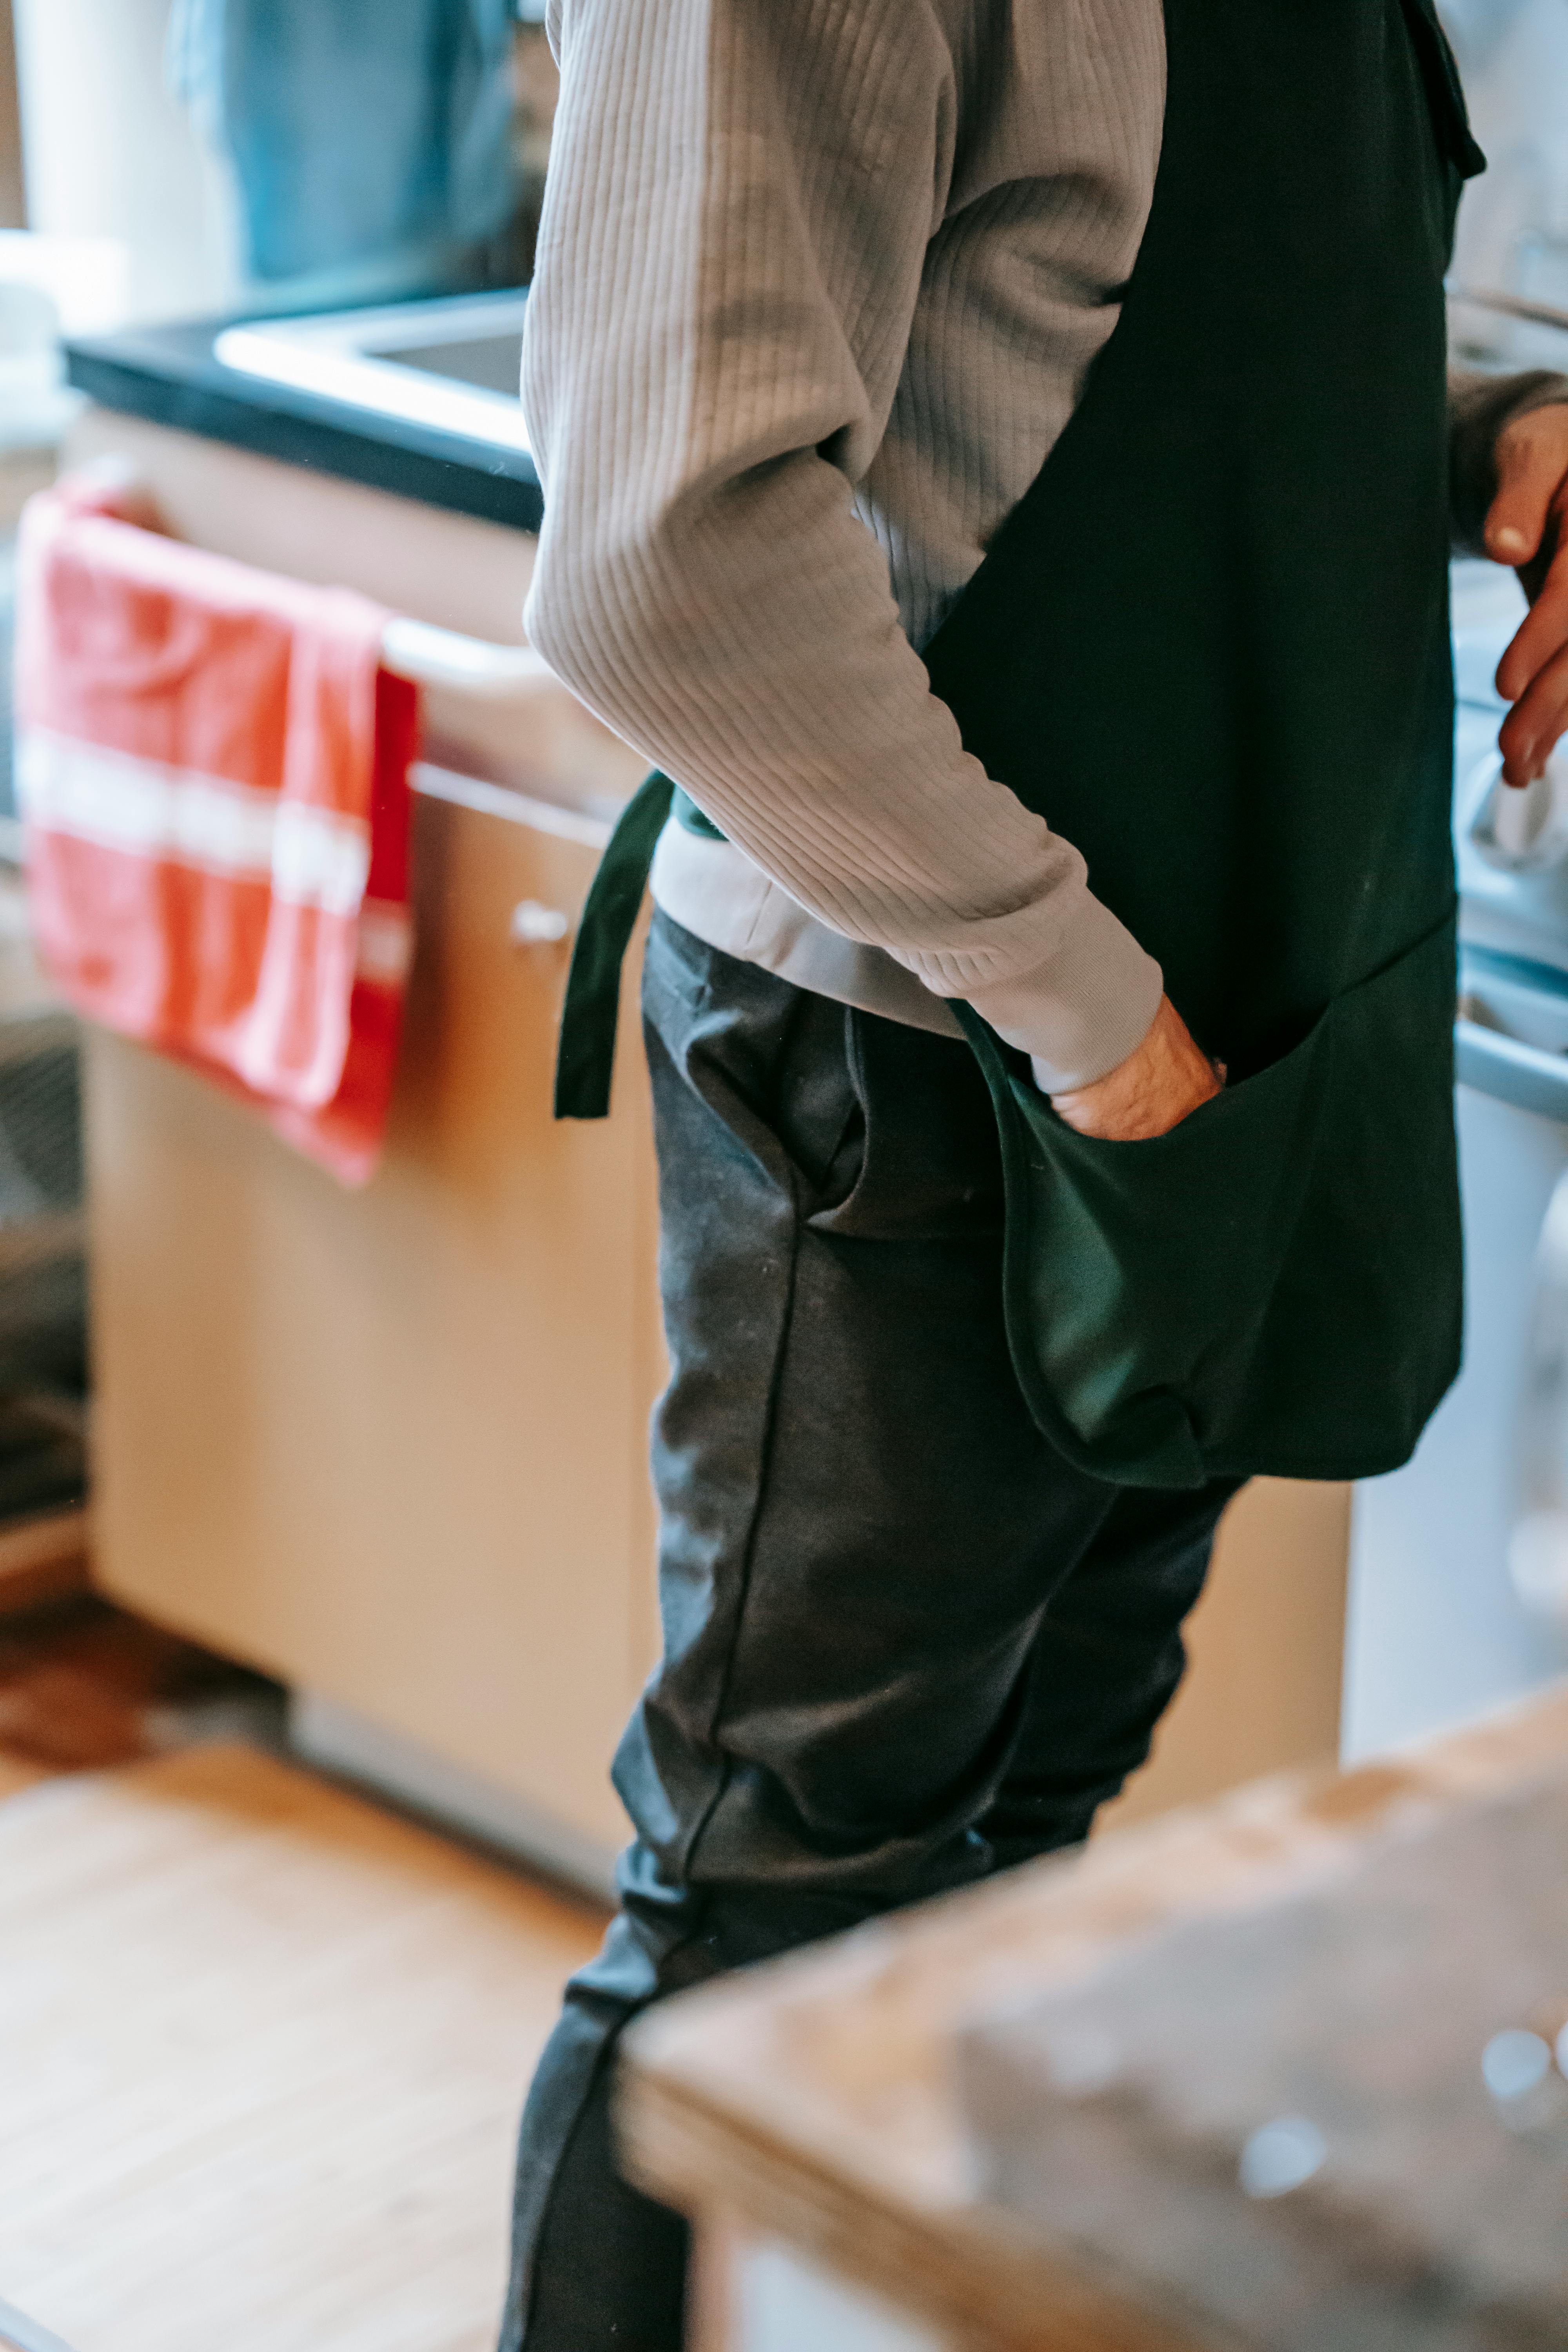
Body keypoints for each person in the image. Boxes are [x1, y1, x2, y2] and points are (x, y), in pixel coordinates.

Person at [499, 4, 1568, 2343]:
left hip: (1238, 1021)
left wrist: (1498, 426)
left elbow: (1131, 353)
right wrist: (1089, 1017)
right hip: (925, 1053)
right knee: (778, 1906)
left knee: (1020, 1847)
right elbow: (666, 566)